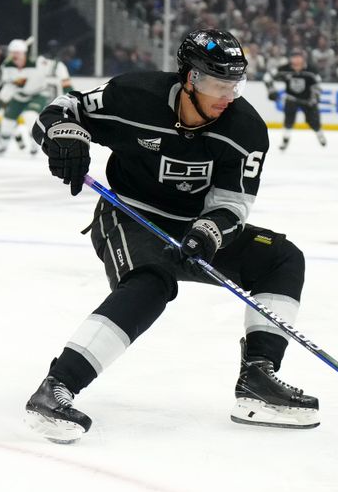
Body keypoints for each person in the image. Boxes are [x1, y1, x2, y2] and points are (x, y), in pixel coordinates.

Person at [25, 29, 319, 444]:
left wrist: (209, 232)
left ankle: (258, 378)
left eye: (235, 84)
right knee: (152, 280)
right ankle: (56, 387)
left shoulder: (245, 128)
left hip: (195, 227)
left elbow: (233, 203)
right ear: (190, 79)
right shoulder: (132, 95)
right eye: (219, 84)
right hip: (129, 214)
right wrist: (62, 136)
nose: (228, 95)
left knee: (282, 258)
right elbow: (60, 109)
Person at [0, 39, 71, 155]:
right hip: (19, 95)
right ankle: (3, 145)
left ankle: (35, 142)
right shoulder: (7, 67)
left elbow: (57, 65)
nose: (15, 56)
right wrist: (0, 100)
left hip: (38, 94)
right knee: (7, 121)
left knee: (30, 116)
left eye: (18, 53)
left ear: (24, 53)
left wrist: (68, 88)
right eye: (13, 53)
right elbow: (9, 86)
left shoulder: (38, 63)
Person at [264, 48, 327, 152]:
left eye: (299, 57)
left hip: (308, 100)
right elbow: (267, 77)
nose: (296, 60)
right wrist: (271, 90)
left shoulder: (311, 70)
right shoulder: (284, 69)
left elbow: (317, 84)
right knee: (288, 120)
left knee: (314, 122)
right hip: (291, 99)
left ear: (303, 58)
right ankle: (285, 139)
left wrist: (315, 96)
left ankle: (320, 134)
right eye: (294, 57)